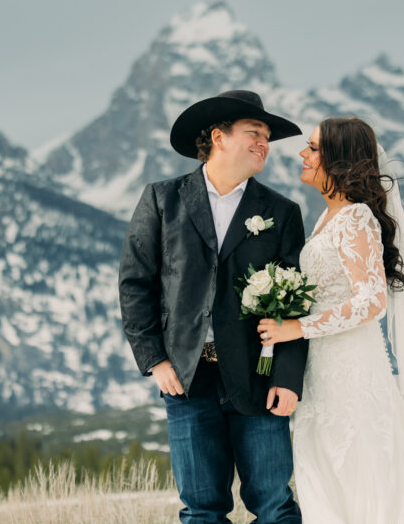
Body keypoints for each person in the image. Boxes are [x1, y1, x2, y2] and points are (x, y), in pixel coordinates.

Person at [257, 116, 404, 523]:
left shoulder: (355, 218)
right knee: (327, 471)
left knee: (362, 472)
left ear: (339, 159)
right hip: (322, 370)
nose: (303, 154)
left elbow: (371, 301)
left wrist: (297, 327)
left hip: (352, 371)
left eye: (314, 147)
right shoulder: (326, 218)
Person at [119, 90, 309, 524]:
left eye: (266, 137)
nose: (264, 143)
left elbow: (295, 302)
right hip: (186, 379)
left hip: (258, 378)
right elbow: (134, 285)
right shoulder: (161, 200)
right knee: (202, 509)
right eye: (254, 133)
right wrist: (155, 360)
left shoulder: (281, 212)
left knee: (275, 507)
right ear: (218, 138)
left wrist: (288, 378)